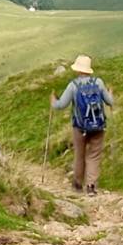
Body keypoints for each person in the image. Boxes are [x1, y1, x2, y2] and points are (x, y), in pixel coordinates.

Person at [50, 55, 113, 196]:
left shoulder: (74, 85)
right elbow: (110, 102)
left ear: (78, 70)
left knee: (80, 154)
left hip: (79, 126)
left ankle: (78, 185)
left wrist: (53, 101)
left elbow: (60, 105)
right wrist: (110, 94)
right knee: (94, 155)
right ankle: (91, 186)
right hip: (98, 126)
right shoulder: (99, 83)